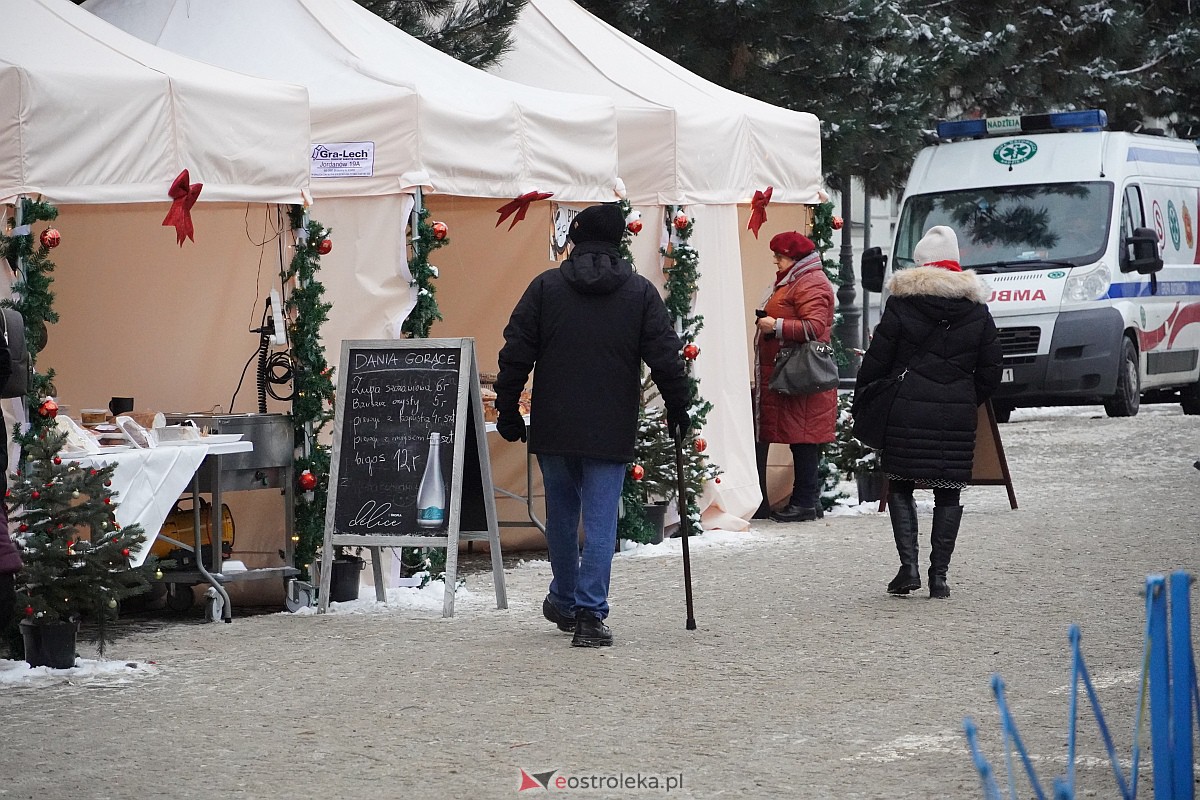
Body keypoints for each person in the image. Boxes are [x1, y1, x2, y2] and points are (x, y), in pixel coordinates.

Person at [495, 203, 690, 648]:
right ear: (620, 240)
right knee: (602, 521)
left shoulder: (546, 287)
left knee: (562, 516)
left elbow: (517, 347)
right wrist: (679, 405)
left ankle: (565, 599)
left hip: (556, 421)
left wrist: (507, 405)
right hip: (610, 422)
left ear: (577, 239)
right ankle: (589, 613)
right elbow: (665, 354)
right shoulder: (639, 292)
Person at [854, 225, 1003, 599]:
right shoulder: (977, 310)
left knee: (901, 483)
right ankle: (939, 578)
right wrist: (965, 396)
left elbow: (878, 360)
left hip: (905, 408)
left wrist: (868, 395)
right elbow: (991, 370)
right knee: (948, 490)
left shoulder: (902, 305)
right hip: (955, 414)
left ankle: (909, 568)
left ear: (921, 264)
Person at [752, 231, 837, 523]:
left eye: (780, 255)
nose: (776, 260)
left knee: (803, 438)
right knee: (801, 438)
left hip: (800, 373)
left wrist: (775, 325)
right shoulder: (797, 280)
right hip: (794, 373)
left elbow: (814, 327)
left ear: (796, 257)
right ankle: (808, 500)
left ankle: (804, 502)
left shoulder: (809, 282)